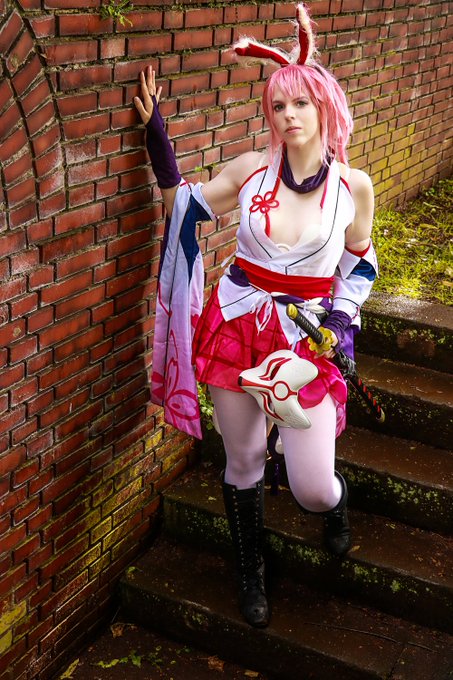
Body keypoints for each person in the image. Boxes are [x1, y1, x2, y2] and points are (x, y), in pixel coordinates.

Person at [134, 3, 377, 629]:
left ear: (324, 107)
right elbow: (183, 206)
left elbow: (360, 265)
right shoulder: (249, 172)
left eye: (300, 103)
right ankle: (251, 568)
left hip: (305, 345)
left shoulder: (353, 187)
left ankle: (335, 504)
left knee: (311, 486)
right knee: (242, 460)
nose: (288, 115)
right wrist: (157, 134)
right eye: (278, 105)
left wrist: (339, 325)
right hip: (237, 327)